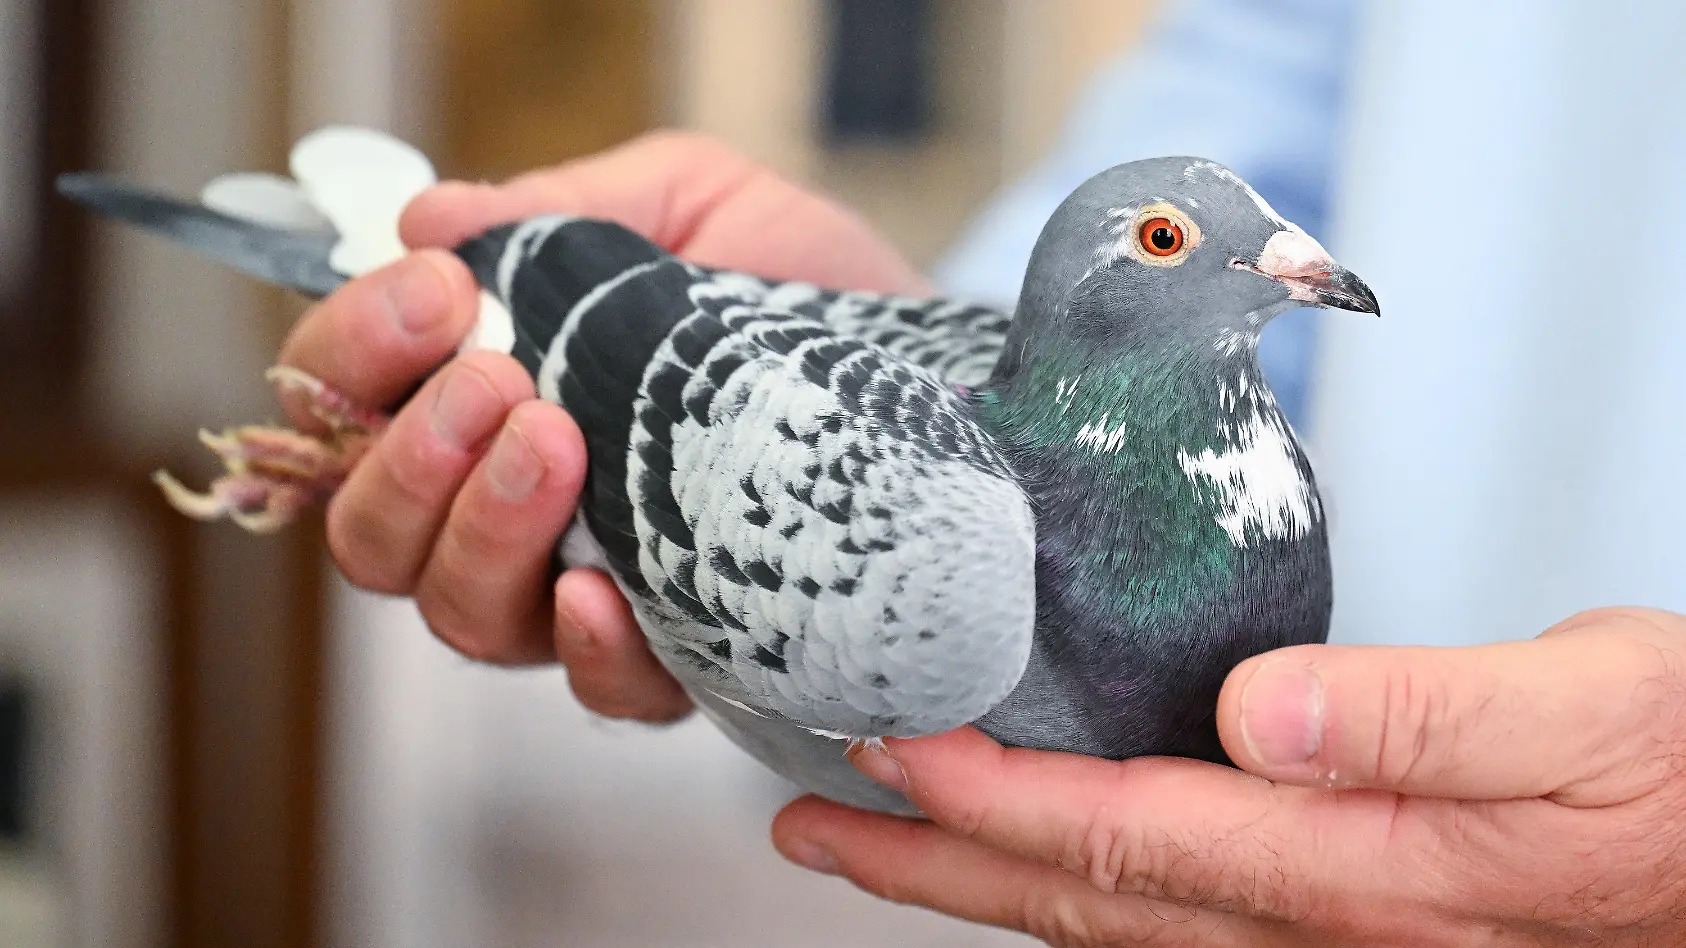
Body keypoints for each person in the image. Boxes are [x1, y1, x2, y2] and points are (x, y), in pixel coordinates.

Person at [271, 5, 1686, 945]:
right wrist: (864, 513)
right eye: (1177, 245)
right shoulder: (957, 579)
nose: (1296, 256)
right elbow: (1303, 51)